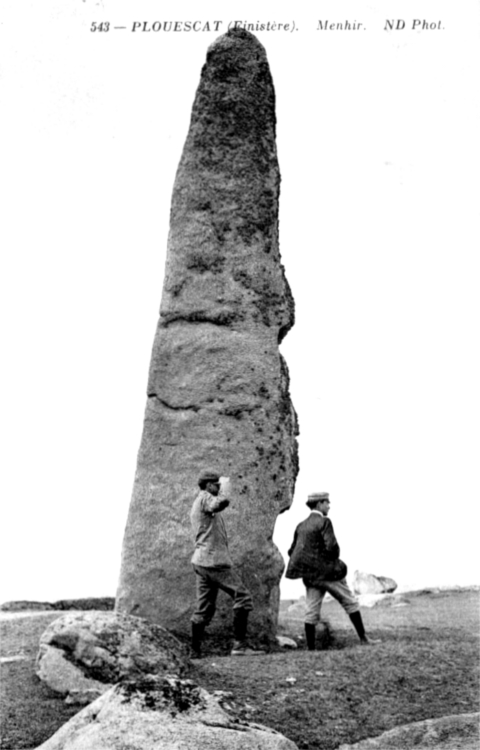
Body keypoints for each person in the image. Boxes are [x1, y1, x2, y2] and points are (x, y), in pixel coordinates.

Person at [286, 492, 378, 650]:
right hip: (328, 574)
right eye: (327, 502)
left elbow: (291, 551)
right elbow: (332, 548)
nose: (329, 506)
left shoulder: (301, 525)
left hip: (311, 576)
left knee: (311, 611)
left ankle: (311, 649)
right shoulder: (324, 521)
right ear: (320, 504)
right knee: (350, 602)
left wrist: (311, 564)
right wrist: (326, 562)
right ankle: (364, 638)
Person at [190, 470, 260, 657]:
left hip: (202, 561)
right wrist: (227, 489)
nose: (219, 487)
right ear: (208, 485)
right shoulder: (205, 497)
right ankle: (239, 646)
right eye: (217, 484)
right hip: (213, 562)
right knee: (243, 596)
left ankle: (195, 651)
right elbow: (219, 503)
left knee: (204, 607)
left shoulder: (199, 501)